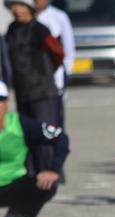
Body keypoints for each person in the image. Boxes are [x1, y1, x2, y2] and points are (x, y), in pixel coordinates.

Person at [0, 81, 69, 217]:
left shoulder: (19, 123)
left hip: (12, 184)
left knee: (47, 184)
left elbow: (60, 138)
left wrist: (54, 169)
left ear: (5, 103)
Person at [4, 0, 64, 126]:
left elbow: (58, 53)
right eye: (14, 6)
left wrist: (45, 71)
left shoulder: (40, 29)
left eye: (21, 5)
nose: (17, 10)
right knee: (28, 138)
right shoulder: (11, 29)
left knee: (45, 136)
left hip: (43, 93)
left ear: (29, 8)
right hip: (22, 93)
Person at [34, 0, 75, 129]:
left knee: (54, 121)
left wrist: (67, 72)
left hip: (54, 79)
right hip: (32, 81)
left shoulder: (59, 16)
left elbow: (68, 48)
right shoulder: (26, 19)